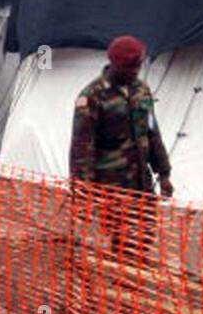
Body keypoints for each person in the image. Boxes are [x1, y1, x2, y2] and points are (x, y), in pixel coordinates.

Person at [69, 35, 173, 197]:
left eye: (138, 66)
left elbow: (152, 133)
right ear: (115, 64)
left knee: (148, 223)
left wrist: (164, 173)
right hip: (110, 189)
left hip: (142, 185)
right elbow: (81, 148)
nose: (135, 71)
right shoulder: (93, 96)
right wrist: (82, 192)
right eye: (129, 66)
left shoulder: (142, 91)